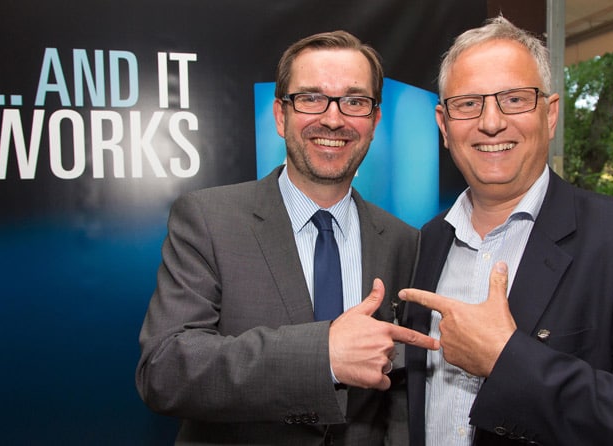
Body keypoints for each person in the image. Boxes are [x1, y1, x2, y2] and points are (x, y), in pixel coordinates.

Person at [398, 16, 613, 446]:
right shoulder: (427, 241)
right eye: (468, 103)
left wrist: (507, 360)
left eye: (515, 99)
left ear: (550, 115)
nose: (491, 122)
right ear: (444, 125)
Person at [135, 30, 438, 445]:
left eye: (354, 101)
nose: (334, 119)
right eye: (311, 98)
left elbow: (402, 394)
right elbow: (165, 371)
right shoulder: (207, 220)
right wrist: (323, 356)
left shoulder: (404, 241)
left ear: (374, 120)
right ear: (281, 115)